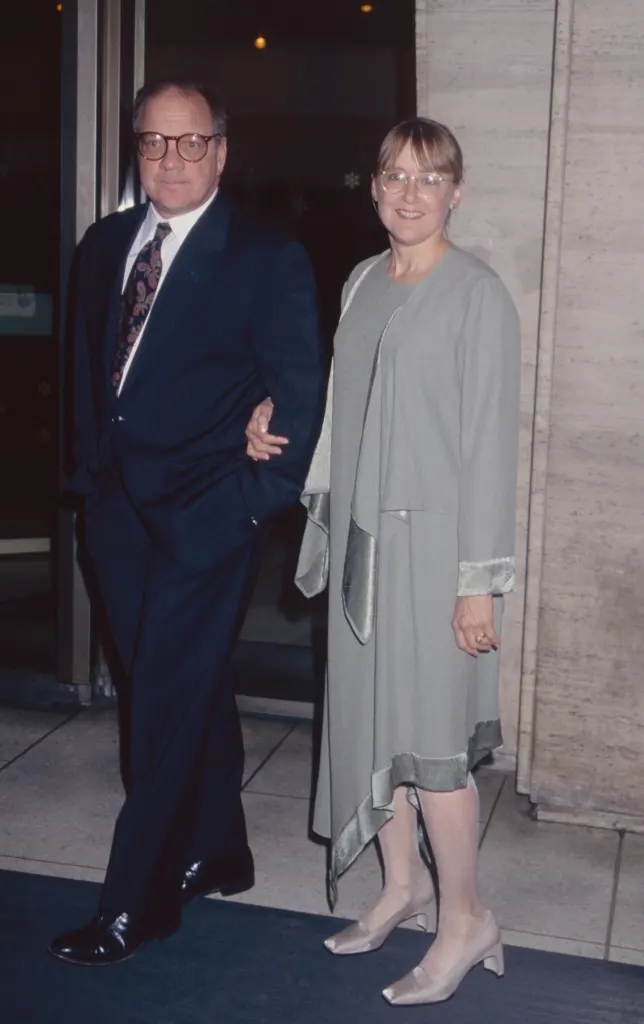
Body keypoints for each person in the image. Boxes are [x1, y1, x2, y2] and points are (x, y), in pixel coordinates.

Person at [245, 117, 520, 1006]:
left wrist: (478, 585)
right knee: (374, 733)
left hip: (438, 558)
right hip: (367, 550)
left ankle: (465, 919)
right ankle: (400, 891)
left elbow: (488, 451)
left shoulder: (479, 295)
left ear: (456, 190)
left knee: (434, 750)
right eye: (393, 177)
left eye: (428, 178)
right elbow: (341, 412)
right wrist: (272, 426)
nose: (409, 193)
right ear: (372, 188)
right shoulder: (362, 281)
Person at [50, 80, 324, 966]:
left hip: (210, 517)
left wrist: (248, 503)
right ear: (137, 148)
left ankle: (142, 901)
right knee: (179, 686)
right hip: (116, 517)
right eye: (154, 143)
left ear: (222, 150)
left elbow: (300, 399)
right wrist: (88, 483)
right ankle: (222, 848)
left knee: (160, 711)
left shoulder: (264, 257)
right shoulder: (101, 247)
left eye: (190, 142)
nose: (171, 159)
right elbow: (91, 373)